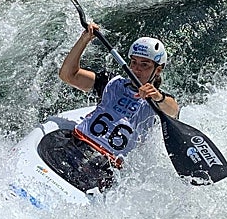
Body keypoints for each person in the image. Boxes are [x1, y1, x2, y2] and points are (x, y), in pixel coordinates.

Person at [53, 23, 179, 191]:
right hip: (75, 146)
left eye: (144, 65)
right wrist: (84, 39)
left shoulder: (157, 104)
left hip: (104, 168)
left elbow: (173, 110)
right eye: (133, 62)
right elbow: (68, 75)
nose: (136, 69)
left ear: (158, 70)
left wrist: (157, 96)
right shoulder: (111, 83)